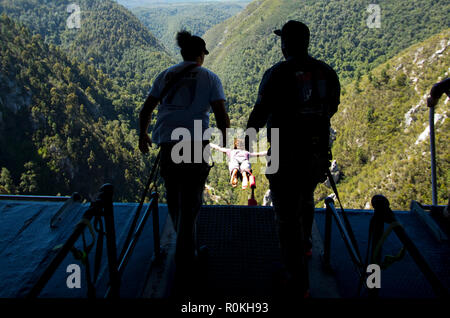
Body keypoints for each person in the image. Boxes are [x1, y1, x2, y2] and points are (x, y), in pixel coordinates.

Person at [246, 20, 340, 298]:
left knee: (286, 217)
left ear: (285, 44)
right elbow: (331, 108)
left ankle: (297, 283)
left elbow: (260, 113)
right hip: (316, 154)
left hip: (285, 156)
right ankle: (308, 243)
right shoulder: (326, 72)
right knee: (306, 196)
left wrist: (246, 146)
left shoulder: (277, 74)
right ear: (307, 42)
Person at [138, 30, 230, 294]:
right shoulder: (210, 77)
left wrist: (142, 135)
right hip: (194, 145)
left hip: (168, 143)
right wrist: (225, 141)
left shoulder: (165, 75)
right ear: (200, 55)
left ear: (182, 53)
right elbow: (221, 116)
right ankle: (186, 256)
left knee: (175, 195)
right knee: (192, 198)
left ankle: (184, 242)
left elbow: (146, 110)